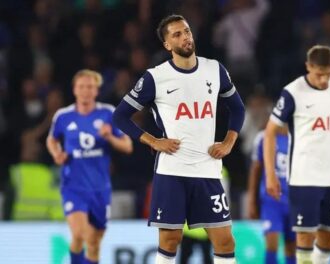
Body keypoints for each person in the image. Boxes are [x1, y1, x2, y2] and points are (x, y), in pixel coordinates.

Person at [112, 15, 245, 264]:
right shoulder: (155, 77)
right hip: (172, 171)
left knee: (226, 241)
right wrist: (152, 140)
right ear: (167, 45)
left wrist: (229, 141)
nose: (185, 37)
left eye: (186, 31)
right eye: (177, 34)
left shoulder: (214, 69)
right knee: (170, 241)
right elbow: (120, 116)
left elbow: (238, 109)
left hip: (207, 169)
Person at [263, 45, 330, 264]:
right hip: (303, 177)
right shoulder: (293, 92)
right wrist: (271, 174)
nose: (323, 80)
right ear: (308, 67)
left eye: (328, 74)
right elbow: (269, 133)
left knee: (329, 239)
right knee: (304, 235)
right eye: (319, 74)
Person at [46, 69, 133, 264]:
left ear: (96, 91)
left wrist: (109, 136)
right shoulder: (63, 116)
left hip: (100, 188)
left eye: (90, 87)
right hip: (73, 187)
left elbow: (127, 146)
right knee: (80, 233)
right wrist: (56, 153)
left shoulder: (108, 113)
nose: (86, 91)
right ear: (74, 90)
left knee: (93, 242)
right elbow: (52, 140)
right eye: (82, 87)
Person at [247, 128, 296, 264]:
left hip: (294, 201)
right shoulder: (263, 137)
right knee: (272, 242)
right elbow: (255, 170)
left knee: (291, 246)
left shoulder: (298, 136)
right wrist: (252, 201)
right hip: (272, 201)